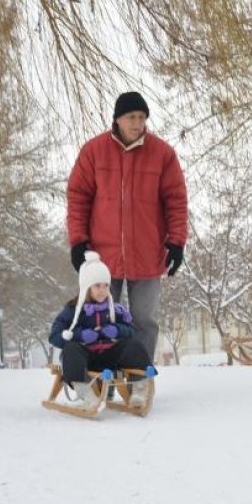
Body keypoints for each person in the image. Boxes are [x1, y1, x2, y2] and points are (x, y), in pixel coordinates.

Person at [66, 91, 188, 361]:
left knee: (144, 319)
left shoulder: (163, 154)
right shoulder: (94, 152)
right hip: (103, 257)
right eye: (131, 117)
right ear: (118, 119)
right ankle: (103, 374)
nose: (137, 123)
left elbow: (176, 201)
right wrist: (78, 240)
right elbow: (77, 198)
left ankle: (138, 375)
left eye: (142, 117)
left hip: (147, 253)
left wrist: (176, 242)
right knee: (102, 316)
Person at [49, 252, 153, 409]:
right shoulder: (73, 309)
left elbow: (131, 331)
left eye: (106, 285)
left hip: (109, 357)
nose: (102, 290)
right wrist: (79, 335)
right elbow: (54, 336)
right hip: (85, 358)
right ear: (86, 287)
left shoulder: (115, 309)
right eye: (97, 285)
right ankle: (85, 393)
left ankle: (139, 388)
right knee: (70, 349)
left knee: (133, 345)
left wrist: (117, 330)